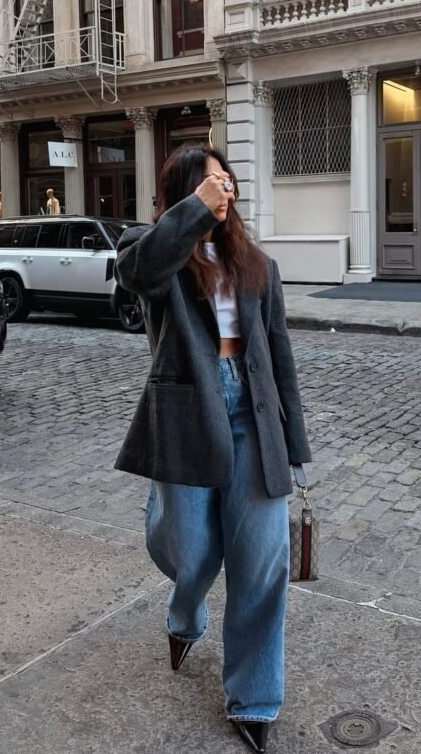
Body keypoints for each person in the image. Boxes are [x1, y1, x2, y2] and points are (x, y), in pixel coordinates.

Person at [114, 143, 311, 754]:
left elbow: (280, 359)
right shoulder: (155, 255)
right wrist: (194, 211)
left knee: (261, 562)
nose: (222, 191)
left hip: (255, 417)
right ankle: (184, 613)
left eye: (225, 182)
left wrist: (296, 445)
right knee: (194, 554)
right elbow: (138, 274)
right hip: (188, 416)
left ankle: (254, 697)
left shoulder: (257, 265)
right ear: (182, 194)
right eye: (207, 184)